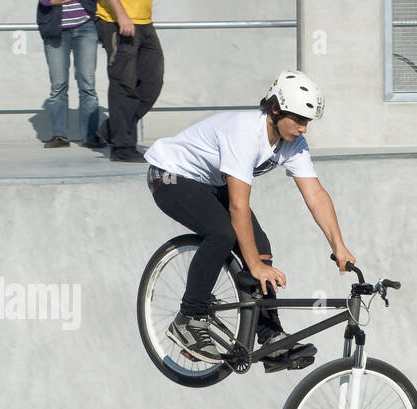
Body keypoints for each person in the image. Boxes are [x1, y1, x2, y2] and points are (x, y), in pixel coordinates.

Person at [143, 70, 357, 367]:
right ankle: (189, 317)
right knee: (222, 233)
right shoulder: (245, 132)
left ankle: (270, 338)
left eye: (307, 121)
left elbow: (316, 194)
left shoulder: (292, 142)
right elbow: (238, 206)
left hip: (207, 182)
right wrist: (252, 264)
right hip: (169, 175)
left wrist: (338, 245)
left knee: (260, 245)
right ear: (275, 110)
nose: (303, 128)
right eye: (297, 119)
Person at [94, 0, 163, 162]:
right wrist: (122, 15)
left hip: (145, 22)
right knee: (124, 84)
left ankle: (112, 128)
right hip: (116, 21)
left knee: (152, 83)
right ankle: (122, 147)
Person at [36, 0, 105, 148]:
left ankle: (90, 136)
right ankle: (59, 136)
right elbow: (46, 1)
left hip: (86, 27)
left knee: (87, 84)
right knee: (58, 85)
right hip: (55, 28)